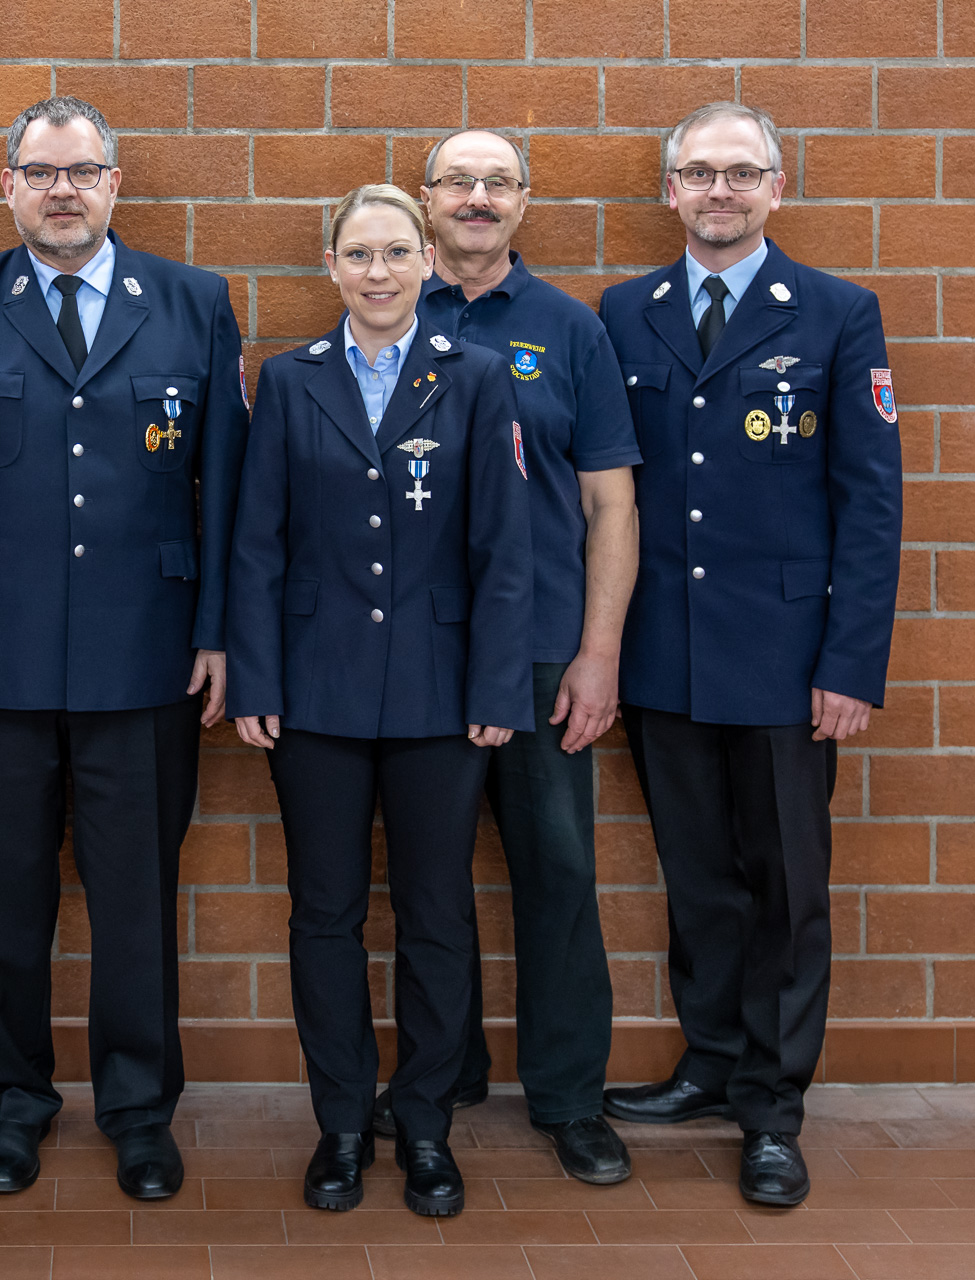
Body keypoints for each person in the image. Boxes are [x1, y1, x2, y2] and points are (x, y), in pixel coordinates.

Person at [0, 96, 247, 1201]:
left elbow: (223, 487)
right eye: (40, 172)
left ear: (115, 184)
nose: (63, 189)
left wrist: (221, 629)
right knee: (5, 899)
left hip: (149, 658)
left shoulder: (190, 301)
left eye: (82, 171)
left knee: (136, 899)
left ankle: (138, 1111)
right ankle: (15, 1104)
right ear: (8, 186)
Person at [597, 102, 902, 1207]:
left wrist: (850, 662)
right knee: (699, 879)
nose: (718, 191)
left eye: (741, 173)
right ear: (667, 192)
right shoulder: (625, 313)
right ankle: (713, 1064)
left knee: (784, 888)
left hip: (784, 657)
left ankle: (773, 1109)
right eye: (697, 173)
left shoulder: (835, 313)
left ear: (777, 187)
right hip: (665, 654)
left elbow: (870, 503)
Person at [227, 184, 534, 1217]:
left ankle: (427, 1122)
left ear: (426, 263)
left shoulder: (478, 377)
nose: (378, 271)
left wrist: (497, 681)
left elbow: (503, 549)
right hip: (312, 695)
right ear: (331, 264)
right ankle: (343, 1122)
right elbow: (257, 543)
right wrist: (257, 680)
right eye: (358, 253)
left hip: (444, 697)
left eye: (398, 252)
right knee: (326, 913)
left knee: (438, 914)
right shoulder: (291, 377)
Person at [362, 130, 641, 1185]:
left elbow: (611, 502)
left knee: (559, 868)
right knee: (428, 877)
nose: (476, 199)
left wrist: (597, 651)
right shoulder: (382, 307)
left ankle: (571, 1094)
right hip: (421, 650)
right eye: (456, 182)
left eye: (498, 183)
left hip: (537, 654)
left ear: (524, 202)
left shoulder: (570, 330)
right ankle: (448, 1068)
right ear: (424, 200)